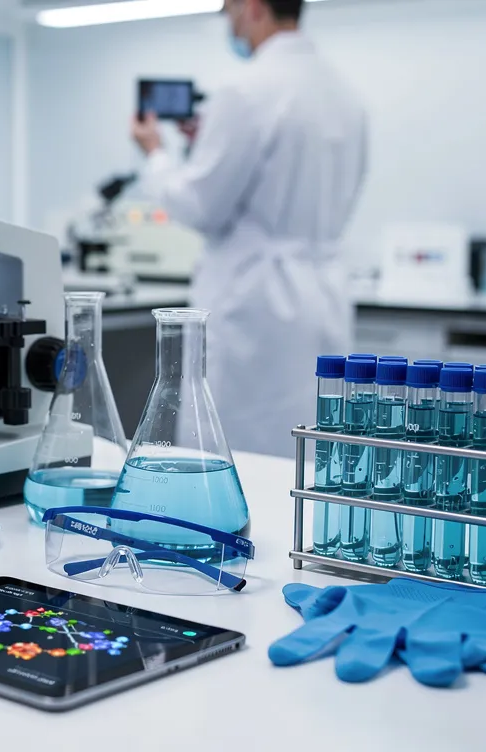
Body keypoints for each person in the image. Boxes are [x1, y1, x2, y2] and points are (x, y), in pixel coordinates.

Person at [131, 0, 368, 458]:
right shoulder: (345, 94)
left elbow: (200, 206)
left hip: (256, 302)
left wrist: (156, 155)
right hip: (323, 295)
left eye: (231, 11)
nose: (229, 22)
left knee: (238, 448)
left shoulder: (245, 90)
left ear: (254, 8)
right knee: (311, 445)